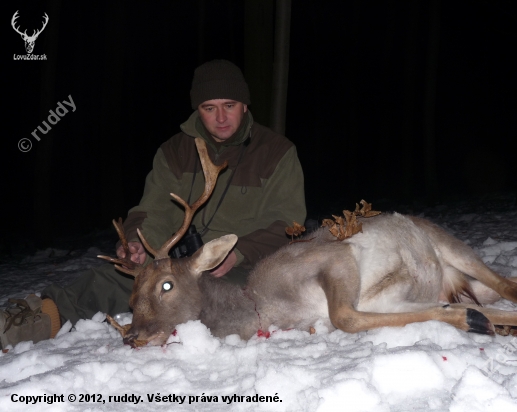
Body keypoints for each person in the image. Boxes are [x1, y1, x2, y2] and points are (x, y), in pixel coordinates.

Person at [0, 59, 306, 350]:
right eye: (209, 108)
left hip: (238, 270)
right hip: (174, 266)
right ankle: (32, 322)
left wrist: (239, 253)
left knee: (231, 303)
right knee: (109, 281)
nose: (221, 117)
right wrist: (137, 242)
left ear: (245, 105)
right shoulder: (174, 151)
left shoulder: (277, 153)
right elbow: (152, 210)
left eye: (229, 106)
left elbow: (289, 225)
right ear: (197, 110)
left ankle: (164, 331)